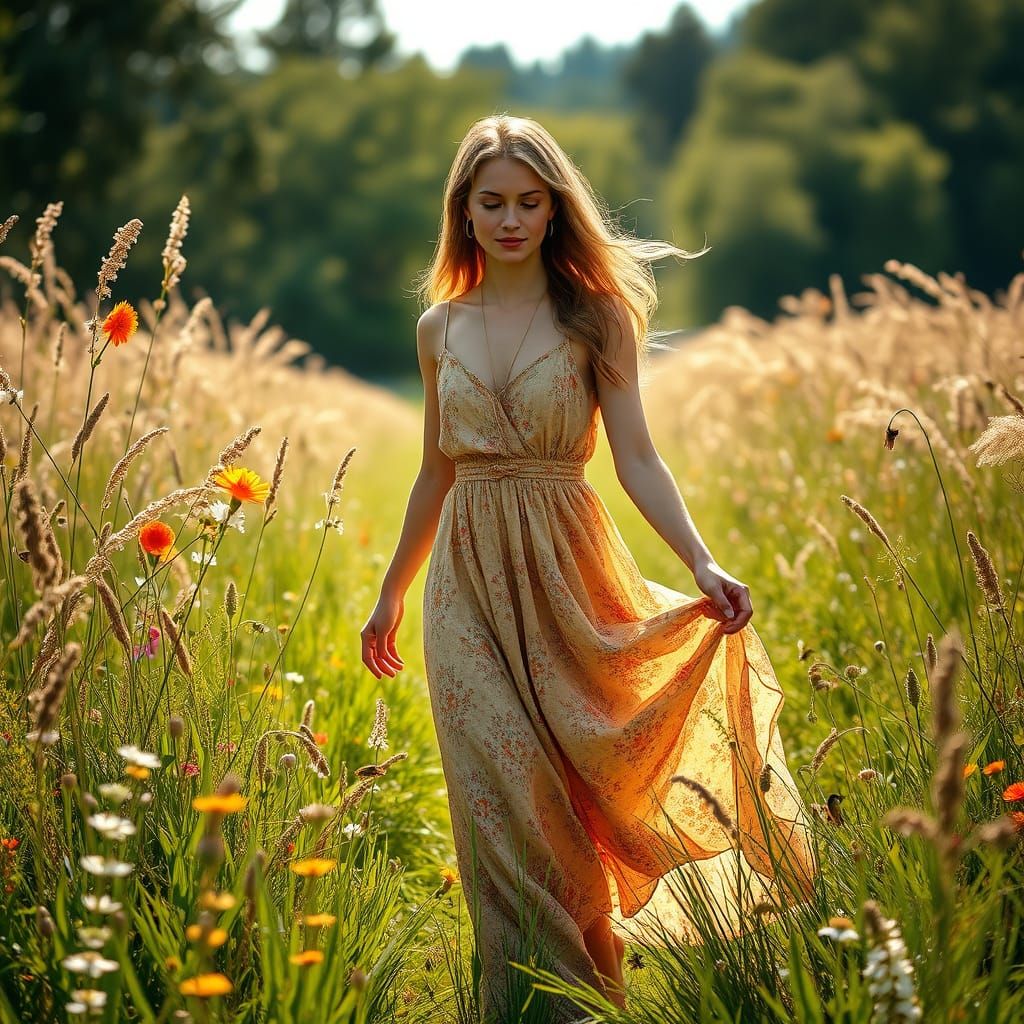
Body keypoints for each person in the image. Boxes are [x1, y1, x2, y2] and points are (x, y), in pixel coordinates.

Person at [361, 114, 818, 1023]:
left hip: (569, 566)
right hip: (466, 582)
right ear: (463, 210)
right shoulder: (438, 327)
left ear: (557, 207)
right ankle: (538, 1008)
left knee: (573, 788)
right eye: (491, 202)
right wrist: (391, 592)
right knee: (501, 797)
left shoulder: (596, 315)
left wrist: (700, 559)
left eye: (530, 202)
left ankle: (592, 995)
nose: (512, 219)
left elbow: (637, 457)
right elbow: (434, 470)